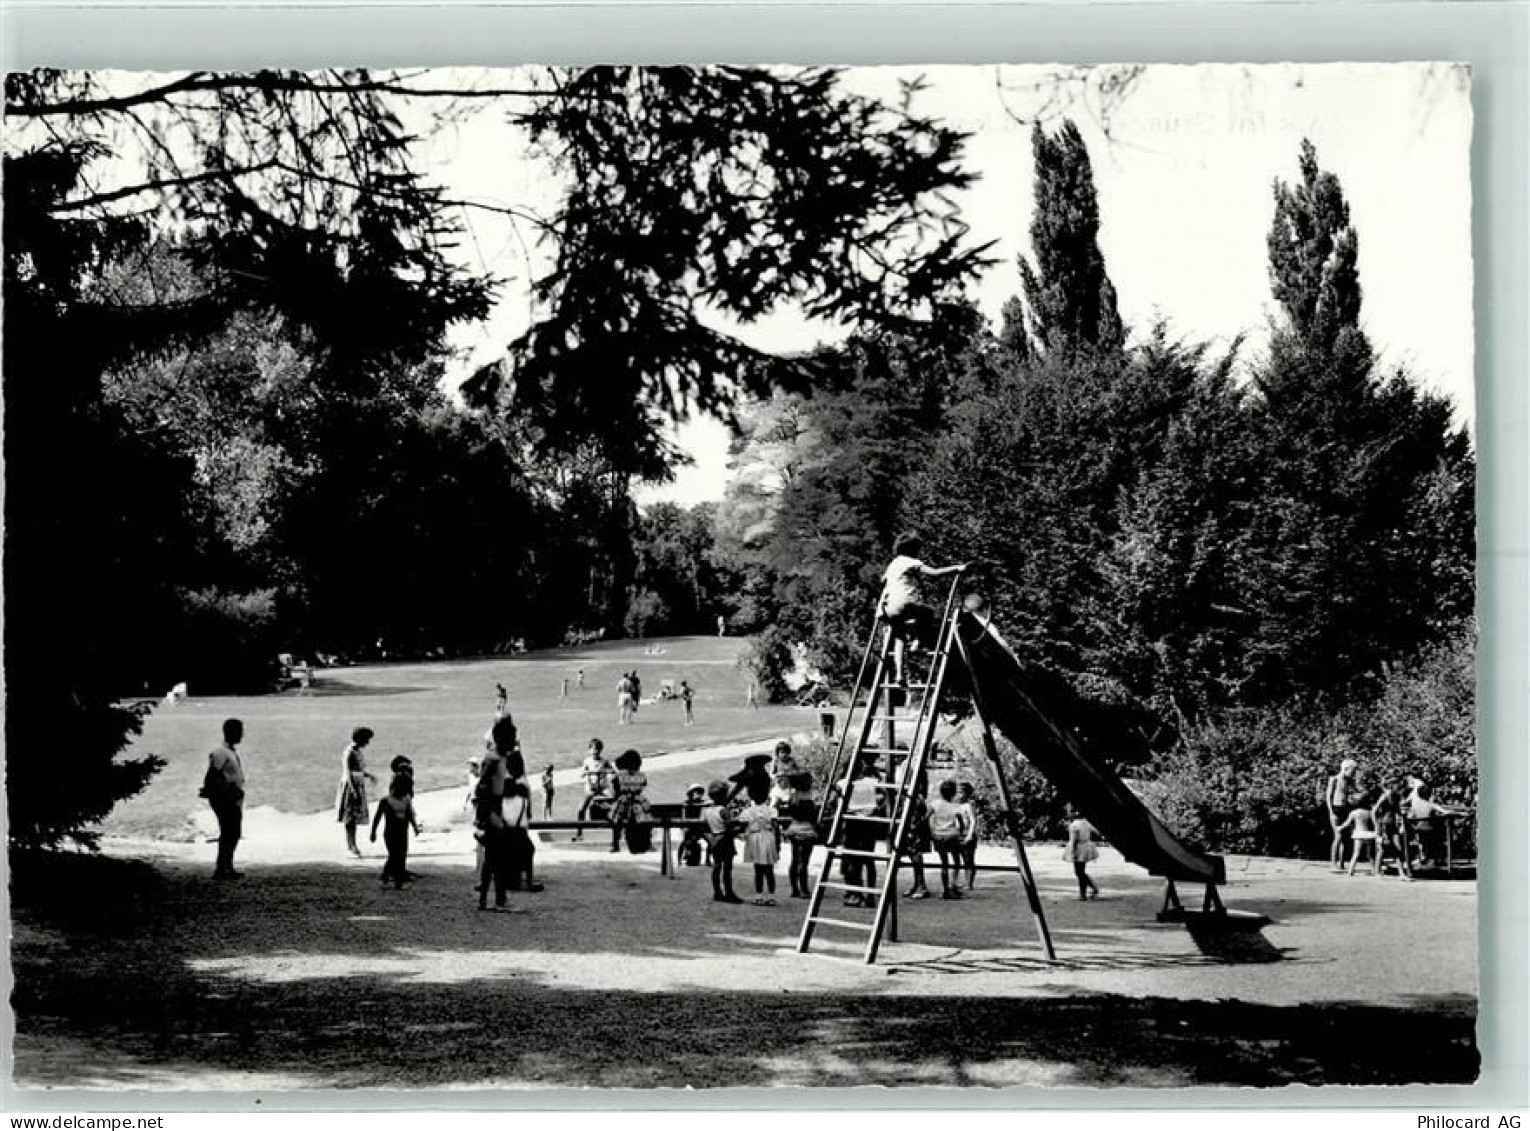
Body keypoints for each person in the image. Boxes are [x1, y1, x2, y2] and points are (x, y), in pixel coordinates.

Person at [876, 533, 967, 685]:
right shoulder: (912, 562)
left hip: (888, 607)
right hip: (903, 603)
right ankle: (918, 642)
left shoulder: (894, 563)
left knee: (899, 636)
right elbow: (935, 573)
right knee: (927, 613)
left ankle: (899, 674)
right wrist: (956, 568)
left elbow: (882, 580)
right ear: (912, 549)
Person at [203, 718, 247, 880]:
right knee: (230, 831)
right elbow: (212, 774)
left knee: (232, 832)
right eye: (239, 732)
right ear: (231, 732)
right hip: (225, 798)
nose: (241, 735)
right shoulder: (221, 753)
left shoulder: (229, 752)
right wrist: (225, 792)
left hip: (231, 797)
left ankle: (226, 866)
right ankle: (222, 868)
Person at [839, 753, 884, 906]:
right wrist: (874, 805)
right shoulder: (871, 782)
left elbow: (833, 801)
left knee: (853, 860)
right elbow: (883, 795)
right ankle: (870, 895)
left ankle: (855, 893)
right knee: (869, 860)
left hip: (852, 821)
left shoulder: (843, 783)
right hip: (868, 822)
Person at [370, 775, 421, 890]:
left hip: (403, 832)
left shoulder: (406, 800)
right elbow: (377, 817)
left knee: (401, 856)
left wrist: (415, 827)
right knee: (394, 856)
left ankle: (398, 881)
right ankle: (386, 878)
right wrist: (373, 832)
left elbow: (409, 815)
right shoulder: (386, 801)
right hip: (390, 832)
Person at [336, 727, 378, 858]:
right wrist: (353, 790)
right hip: (351, 786)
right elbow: (348, 772)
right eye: (366, 739)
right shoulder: (349, 752)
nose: (368, 742)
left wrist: (368, 775)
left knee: (353, 818)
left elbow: (358, 770)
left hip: (357, 785)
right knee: (350, 818)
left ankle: (352, 845)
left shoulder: (357, 751)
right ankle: (351, 845)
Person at [927, 778, 972, 899]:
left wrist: (931, 833)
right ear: (953, 793)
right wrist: (961, 834)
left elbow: (926, 818)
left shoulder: (935, 804)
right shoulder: (955, 807)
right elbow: (961, 823)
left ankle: (945, 889)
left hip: (938, 835)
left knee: (944, 864)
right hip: (951, 835)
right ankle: (953, 885)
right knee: (956, 861)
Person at [740, 780, 780, 905]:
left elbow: (742, 825)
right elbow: (776, 827)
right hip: (768, 838)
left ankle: (759, 897)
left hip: (755, 838)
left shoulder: (747, 812)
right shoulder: (772, 810)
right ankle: (771, 897)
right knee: (769, 870)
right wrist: (778, 845)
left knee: (758, 870)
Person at [703, 780, 743, 903]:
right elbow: (730, 827)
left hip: (715, 839)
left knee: (717, 867)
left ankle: (717, 892)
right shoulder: (724, 811)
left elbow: (706, 828)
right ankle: (729, 893)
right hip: (725, 840)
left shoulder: (708, 811)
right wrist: (740, 827)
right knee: (727, 868)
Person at [502, 780, 544, 892]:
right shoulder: (523, 801)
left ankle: (509, 880)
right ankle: (529, 882)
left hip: (505, 833)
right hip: (519, 832)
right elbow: (527, 817)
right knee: (529, 850)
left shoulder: (500, 802)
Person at [609, 749, 653, 853]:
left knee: (617, 820)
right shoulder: (641, 776)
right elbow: (643, 786)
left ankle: (615, 843)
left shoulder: (619, 776)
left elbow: (615, 792)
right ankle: (649, 843)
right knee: (646, 819)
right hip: (638, 803)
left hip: (624, 801)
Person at [782, 772, 817, 898]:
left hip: (794, 828)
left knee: (795, 860)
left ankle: (794, 889)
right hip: (807, 830)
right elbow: (813, 817)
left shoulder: (793, 797)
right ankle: (804, 889)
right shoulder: (808, 799)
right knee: (804, 862)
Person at [1325, 757, 1363, 871]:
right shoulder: (1334, 779)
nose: (1353, 773)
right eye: (1352, 771)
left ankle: (1341, 863)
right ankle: (1333, 863)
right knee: (1338, 836)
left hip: (1345, 808)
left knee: (1345, 838)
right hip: (1335, 809)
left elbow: (1356, 791)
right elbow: (1328, 797)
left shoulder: (1349, 780)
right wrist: (1331, 812)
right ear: (1346, 768)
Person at [1371, 777, 1412, 879]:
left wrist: (1403, 820)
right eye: (1397, 784)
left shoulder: (1397, 796)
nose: (1399, 786)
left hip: (1393, 825)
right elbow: (1374, 810)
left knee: (1398, 847)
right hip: (1383, 825)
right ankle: (1376, 871)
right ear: (1391, 785)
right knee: (1382, 849)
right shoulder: (1385, 796)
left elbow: (1397, 810)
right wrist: (1376, 826)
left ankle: (1401, 873)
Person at [573, 739, 614, 840]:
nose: (595, 752)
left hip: (603, 788)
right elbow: (582, 773)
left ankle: (617, 829)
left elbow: (613, 771)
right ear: (589, 750)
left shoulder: (604, 761)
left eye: (597, 750)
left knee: (613, 802)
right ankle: (579, 833)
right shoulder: (587, 761)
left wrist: (606, 771)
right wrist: (587, 772)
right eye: (593, 750)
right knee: (581, 809)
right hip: (591, 789)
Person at [902, 772, 933, 900]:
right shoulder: (913, 796)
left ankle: (922, 886)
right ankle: (917, 884)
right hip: (913, 828)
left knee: (916, 855)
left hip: (915, 829)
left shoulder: (916, 798)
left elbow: (916, 816)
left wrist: (913, 827)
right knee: (912, 854)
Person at [1335, 793, 1381, 876]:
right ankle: (1374, 870)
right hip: (1368, 834)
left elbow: (1347, 823)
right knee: (1370, 855)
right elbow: (1375, 823)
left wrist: (1339, 827)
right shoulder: (1369, 812)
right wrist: (1377, 832)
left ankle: (1350, 871)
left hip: (1358, 833)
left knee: (1356, 853)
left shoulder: (1354, 813)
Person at [1063, 808, 1101, 901]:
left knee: (1079, 872)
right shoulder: (1086, 823)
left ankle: (1086, 892)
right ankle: (1089, 890)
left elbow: (1074, 840)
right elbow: (1096, 832)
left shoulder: (1074, 825)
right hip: (1086, 846)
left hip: (1079, 848)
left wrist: (1073, 851)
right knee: (1080, 871)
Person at [956, 781, 980, 891]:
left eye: (961, 792)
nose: (959, 795)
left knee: (969, 859)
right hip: (959, 834)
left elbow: (973, 820)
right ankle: (965, 881)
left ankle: (969, 883)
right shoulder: (957, 805)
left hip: (967, 834)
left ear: (967, 793)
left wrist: (970, 835)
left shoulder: (968, 805)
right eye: (958, 792)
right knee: (963, 859)